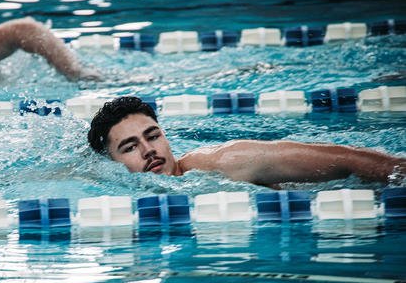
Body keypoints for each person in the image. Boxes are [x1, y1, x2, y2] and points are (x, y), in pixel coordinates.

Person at [88, 96, 406, 186]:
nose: (149, 151)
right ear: (111, 164)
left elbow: (346, 160)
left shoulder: (222, 162)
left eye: (153, 136)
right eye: (129, 147)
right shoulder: (108, 189)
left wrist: (396, 169)